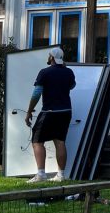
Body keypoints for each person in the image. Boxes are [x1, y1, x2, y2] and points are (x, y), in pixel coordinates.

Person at [25, 47, 76, 183]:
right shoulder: (69, 72)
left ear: (51, 58)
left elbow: (36, 94)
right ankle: (61, 175)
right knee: (60, 141)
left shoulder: (44, 72)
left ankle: (41, 174)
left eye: (49, 56)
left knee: (37, 141)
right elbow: (72, 86)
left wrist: (29, 111)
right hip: (66, 111)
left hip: (49, 112)